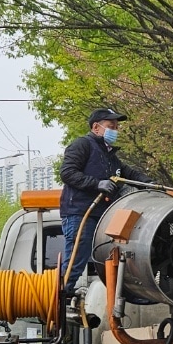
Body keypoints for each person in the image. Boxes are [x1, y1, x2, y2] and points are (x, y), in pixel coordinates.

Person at [59, 108, 152, 289]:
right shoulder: (82, 145)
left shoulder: (110, 157)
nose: (116, 131)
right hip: (81, 212)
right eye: (111, 126)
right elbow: (67, 172)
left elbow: (129, 174)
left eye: (117, 127)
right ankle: (59, 297)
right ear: (96, 127)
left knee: (109, 256)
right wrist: (97, 184)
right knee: (77, 258)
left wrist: (151, 183)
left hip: (102, 215)